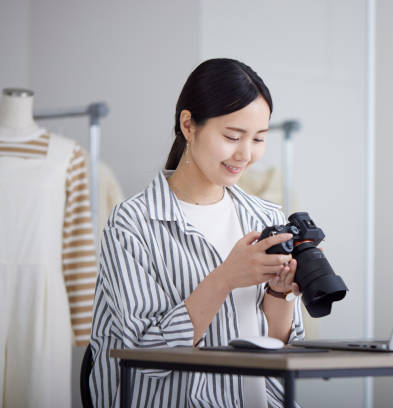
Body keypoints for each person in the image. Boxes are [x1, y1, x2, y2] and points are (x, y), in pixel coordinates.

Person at [89, 58, 305, 408]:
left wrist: (279, 296)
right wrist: (224, 279)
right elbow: (144, 355)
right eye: (232, 136)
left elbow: (281, 352)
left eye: (259, 139)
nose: (246, 154)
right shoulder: (133, 223)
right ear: (188, 125)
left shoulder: (266, 216)